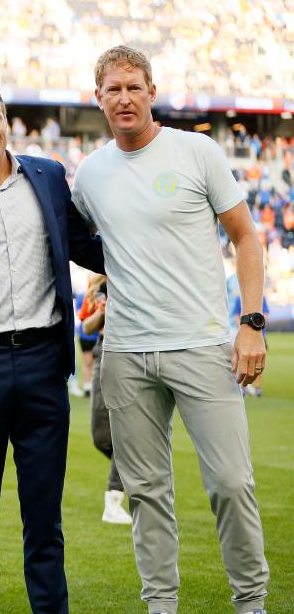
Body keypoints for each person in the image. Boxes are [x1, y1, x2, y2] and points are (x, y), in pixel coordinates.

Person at [72, 45, 269, 614]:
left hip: (204, 345)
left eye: (135, 86)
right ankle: (161, 604)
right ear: (99, 99)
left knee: (231, 484)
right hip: (128, 354)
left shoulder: (196, 151)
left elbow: (246, 238)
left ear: (152, 92)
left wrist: (251, 324)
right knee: (146, 493)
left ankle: (250, 603)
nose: (125, 97)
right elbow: (97, 242)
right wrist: (102, 278)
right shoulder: (90, 174)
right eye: (114, 89)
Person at [0, 79, 104, 614]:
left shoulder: (49, 177)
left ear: (7, 120)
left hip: (42, 365)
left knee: (44, 518)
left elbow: (90, 250)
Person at [78, 275, 132, 524]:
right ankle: (139, 464)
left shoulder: (133, 273)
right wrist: (103, 314)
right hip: (103, 348)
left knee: (126, 430)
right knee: (100, 435)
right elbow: (85, 327)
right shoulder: (97, 284)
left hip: (131, 349)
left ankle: (114, 500)